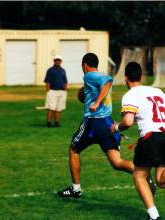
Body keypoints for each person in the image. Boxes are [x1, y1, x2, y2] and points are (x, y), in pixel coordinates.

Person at [57, 53, 135, 198]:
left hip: (92, 122)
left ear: (85, 65)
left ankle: (76, 188)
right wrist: (88, 95)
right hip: (107, 123)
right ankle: (142, 173)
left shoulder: (89, 75)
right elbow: (103, 84)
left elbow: (107, 81)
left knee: (73, 150)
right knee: (116, 162)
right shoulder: (95, 77)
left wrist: (97, 102)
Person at [110, 62, 165, 220]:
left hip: (151, 139)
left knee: (139, 176)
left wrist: (116, 128)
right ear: (141, 76)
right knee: (161, 180)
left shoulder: (130, 94)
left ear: (126, 78)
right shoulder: (158, 91)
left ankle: (153, 216)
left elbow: (127, 121)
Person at [44, 55, 68, 128]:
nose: (58, 61)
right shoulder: (50, 70)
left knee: (59, 108)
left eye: (59, 60)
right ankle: (49, 122)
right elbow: (47, 81)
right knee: (51, 107)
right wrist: (48, 91)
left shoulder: (63, 70)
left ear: (61, 61)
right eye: (56, 60)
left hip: (62, 91)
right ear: (54, 61)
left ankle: (57, 122)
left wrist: (66, 90)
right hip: (52, 91)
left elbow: (65, 81)